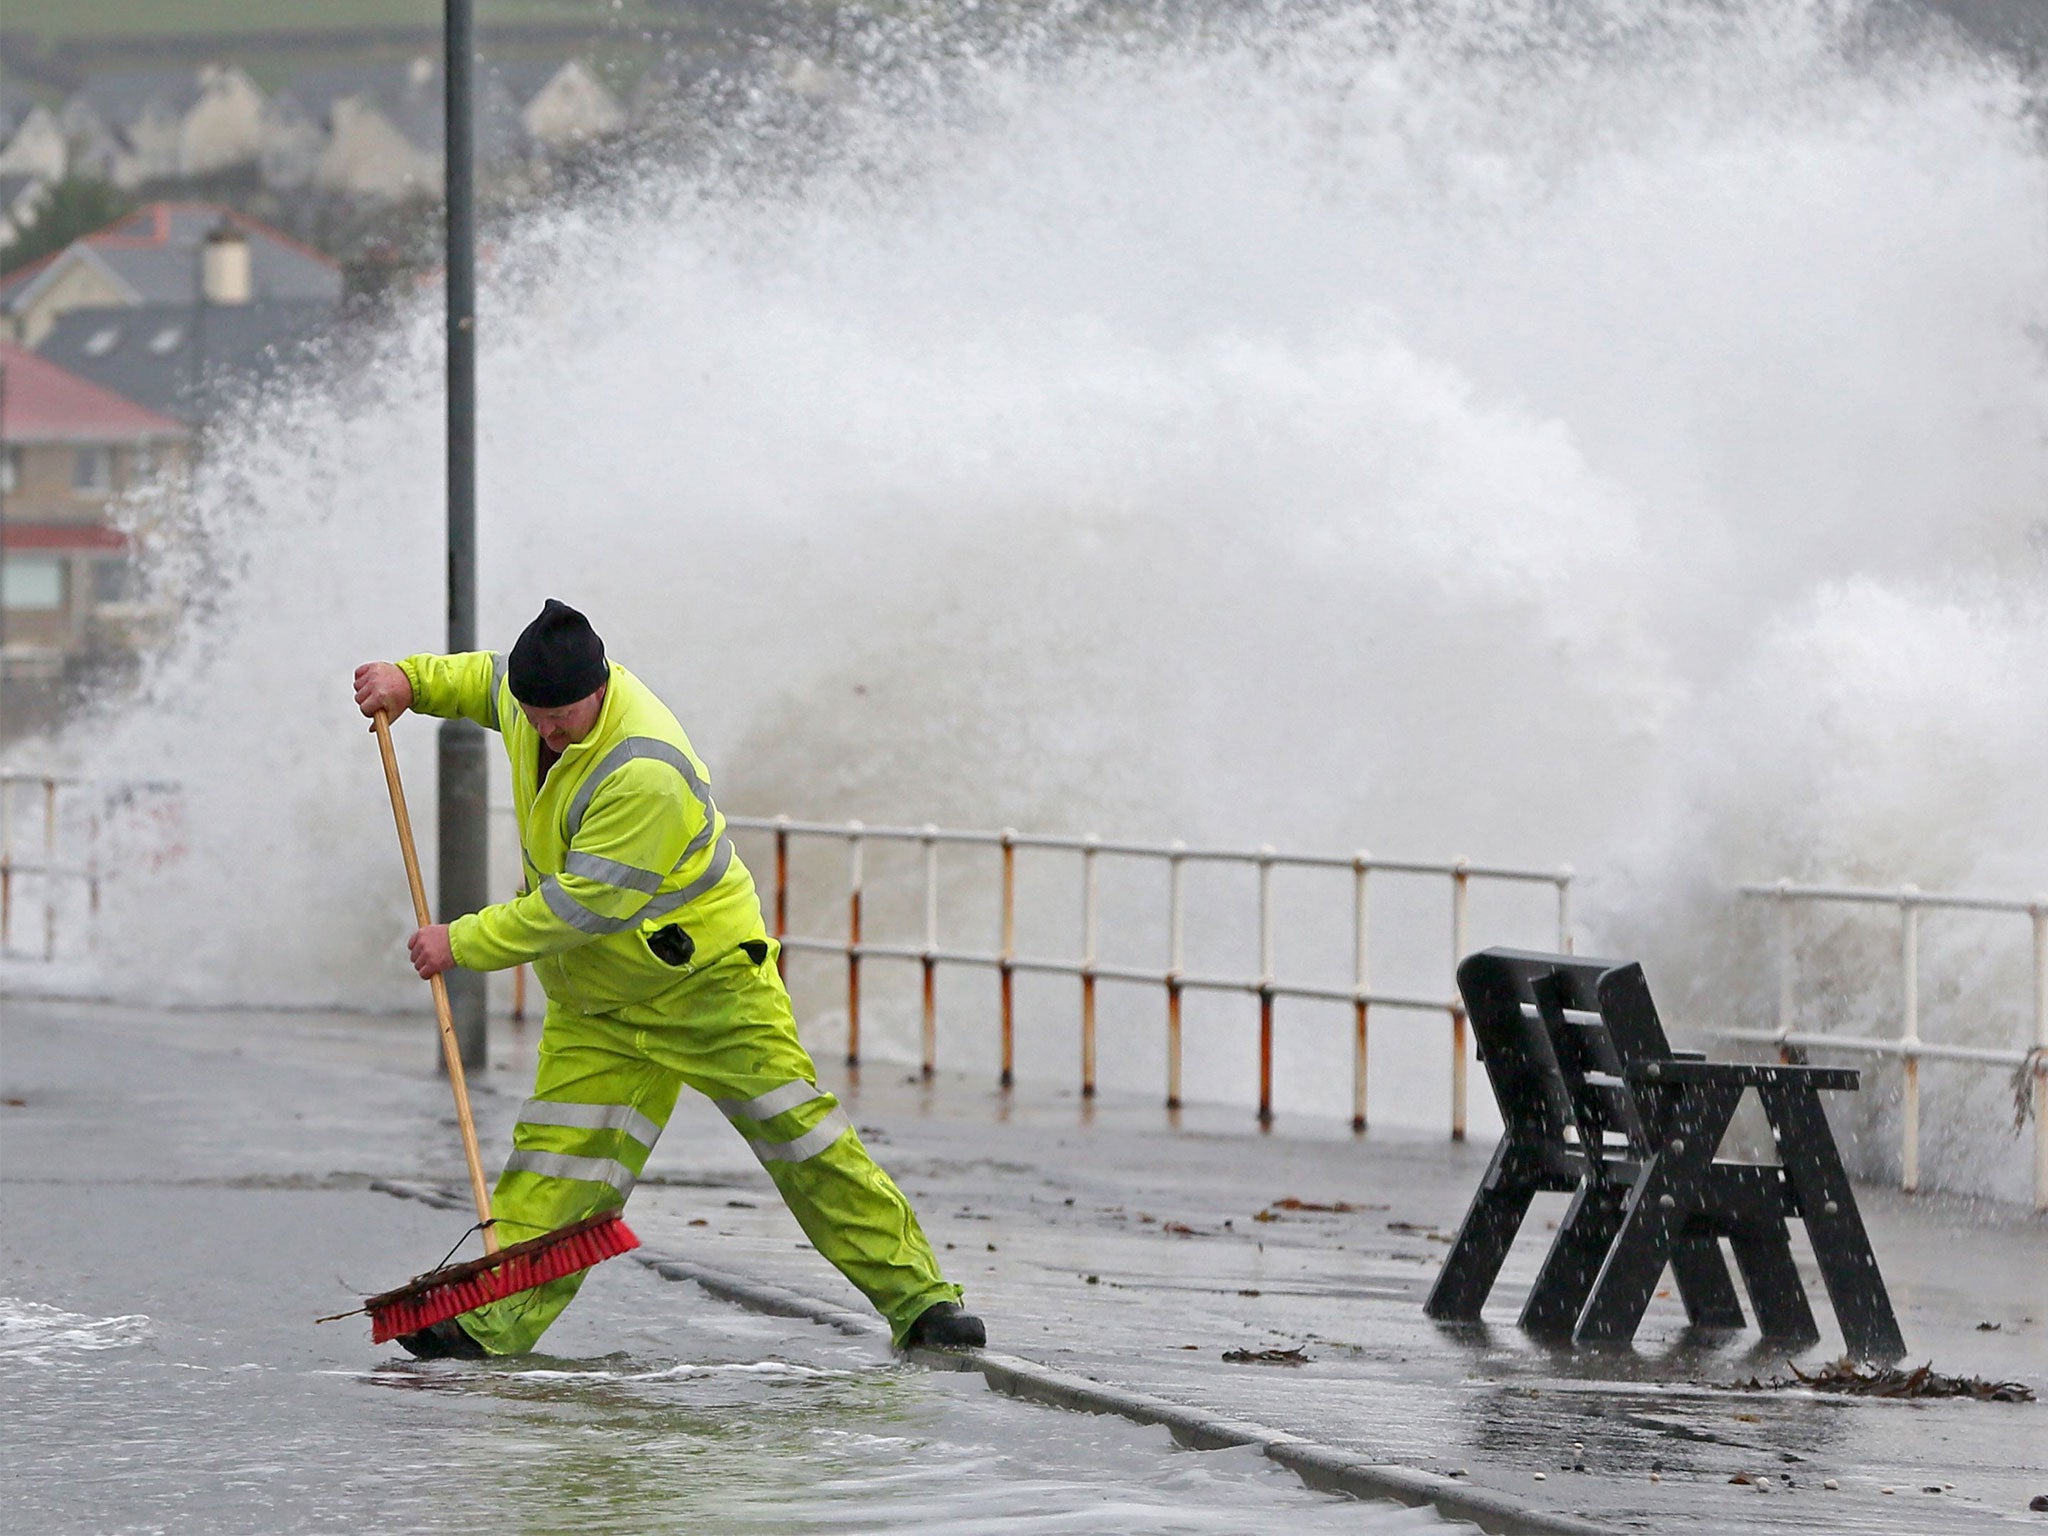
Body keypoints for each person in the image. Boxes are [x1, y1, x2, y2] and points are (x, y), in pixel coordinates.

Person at [352, 599, 984, 1359]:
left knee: (803, 1143)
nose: (546, 732)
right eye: (534, 716)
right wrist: (409, 683)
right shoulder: (532, 701)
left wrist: (461, 942)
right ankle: (488, 1324)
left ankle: (921, 1303)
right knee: (556, 1165)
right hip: (599, 1004)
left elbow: (581, 905)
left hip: (709, 989)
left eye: (561, 719)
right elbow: (483, 682)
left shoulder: (643, 767)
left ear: (602, 687)